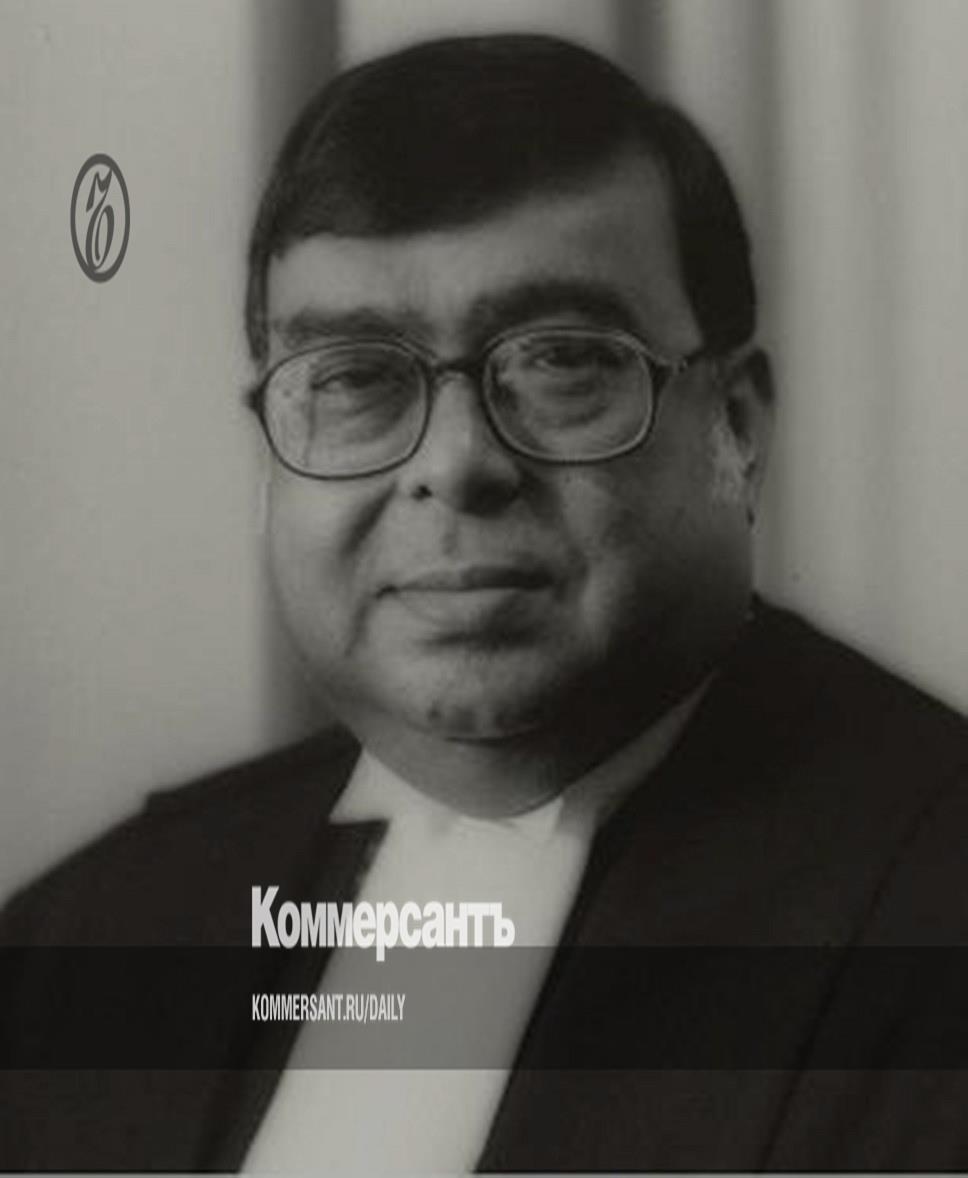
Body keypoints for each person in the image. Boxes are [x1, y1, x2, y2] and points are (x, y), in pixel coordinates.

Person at [2, 33, 967, 1172]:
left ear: (736, 430)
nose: (455, 464)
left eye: (560, 362)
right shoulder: (83, 941)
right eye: (355, 379)